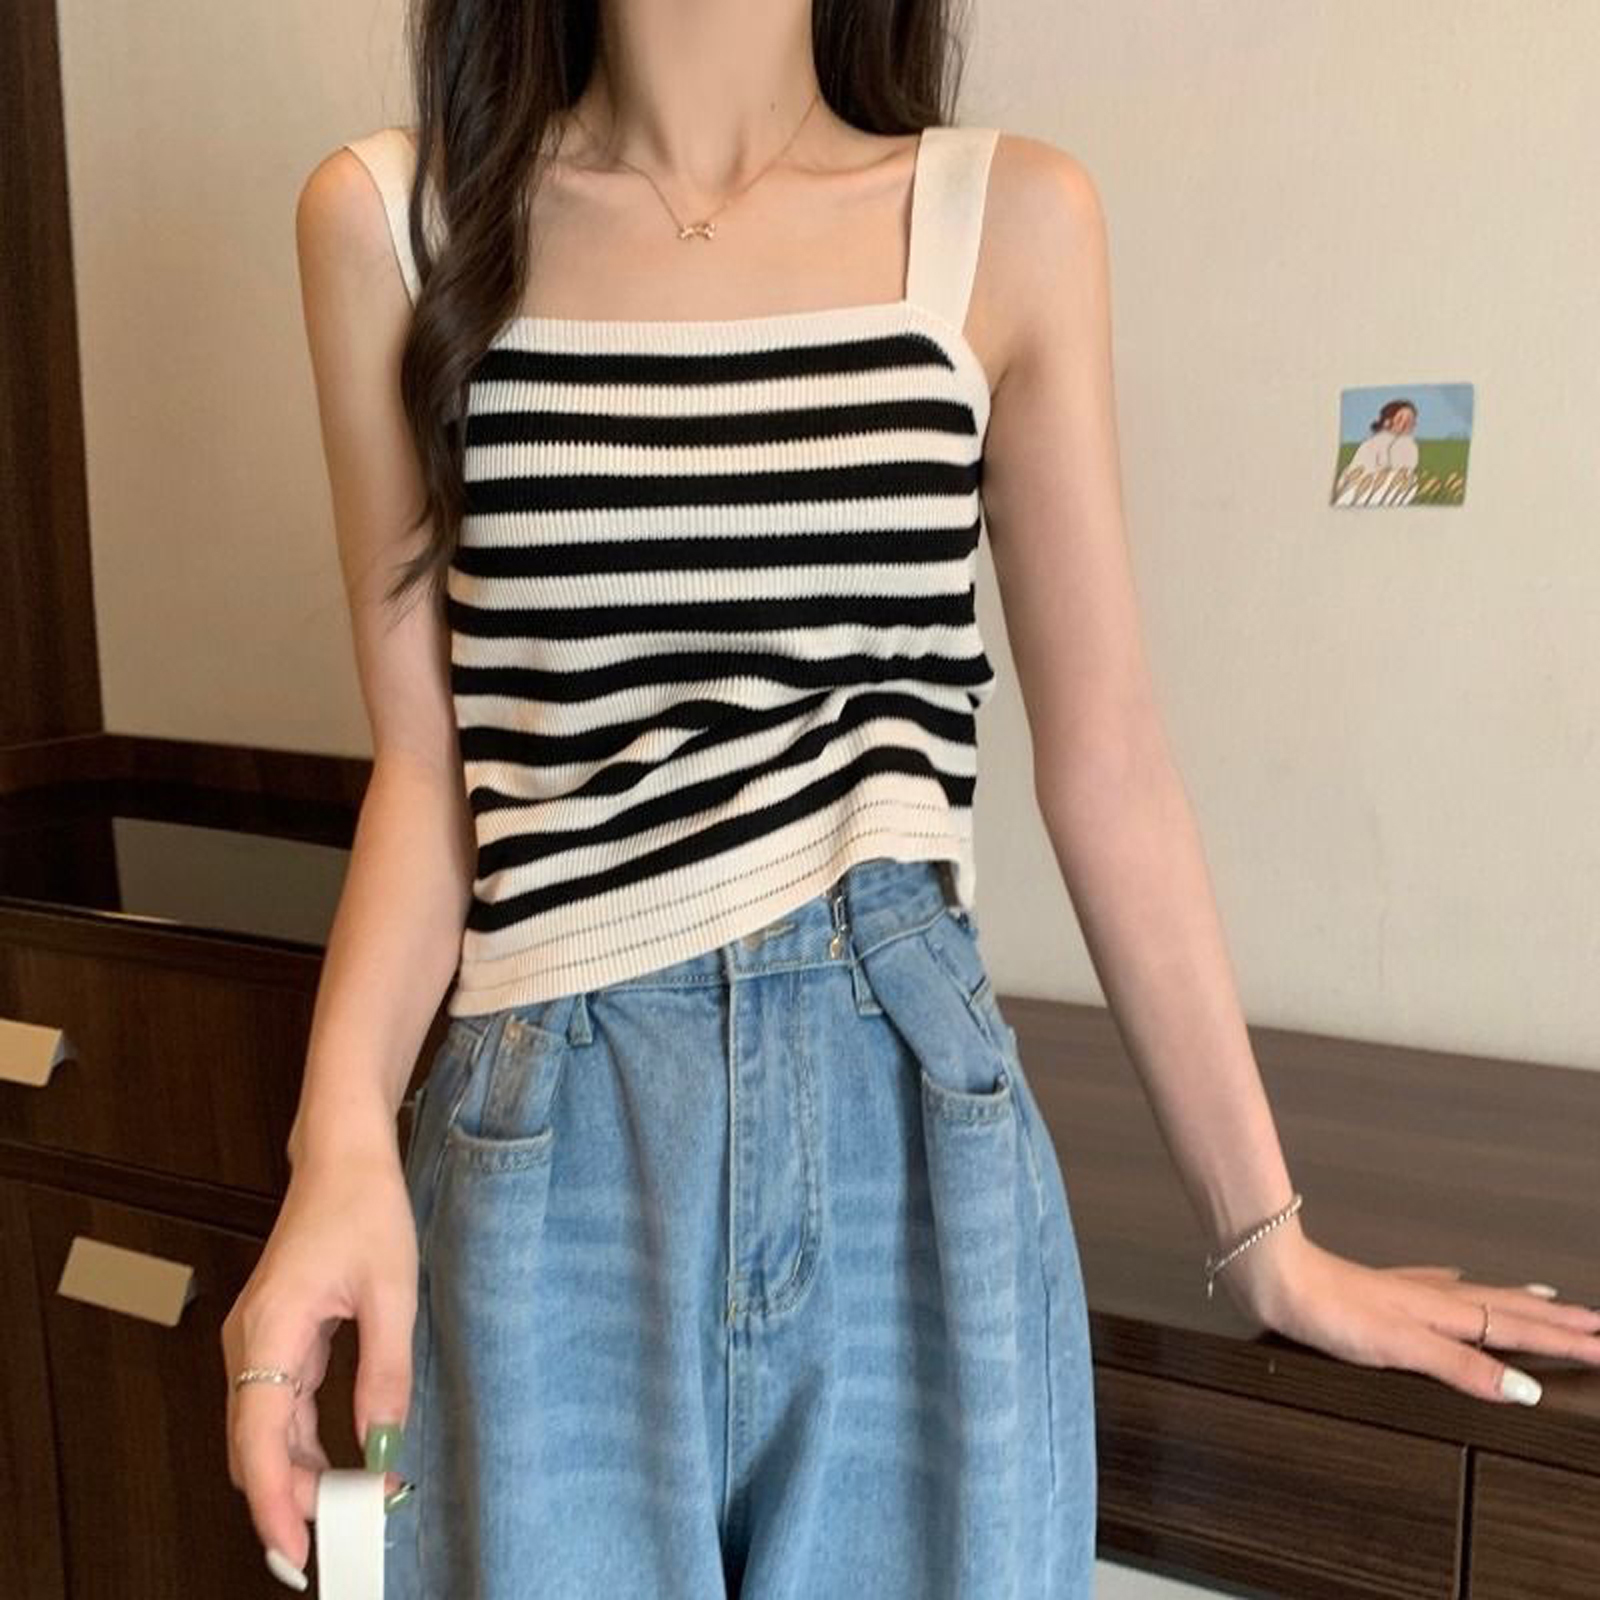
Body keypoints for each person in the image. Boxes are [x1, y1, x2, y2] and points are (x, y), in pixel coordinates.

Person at [222, 3, 1600, 1596]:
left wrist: (1267, 1239)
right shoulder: (394, 229)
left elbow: (1108, 758)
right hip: (549, 1150)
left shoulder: (1003, 224)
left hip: (907, 1124)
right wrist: (335, 1143)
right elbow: (429, 769)